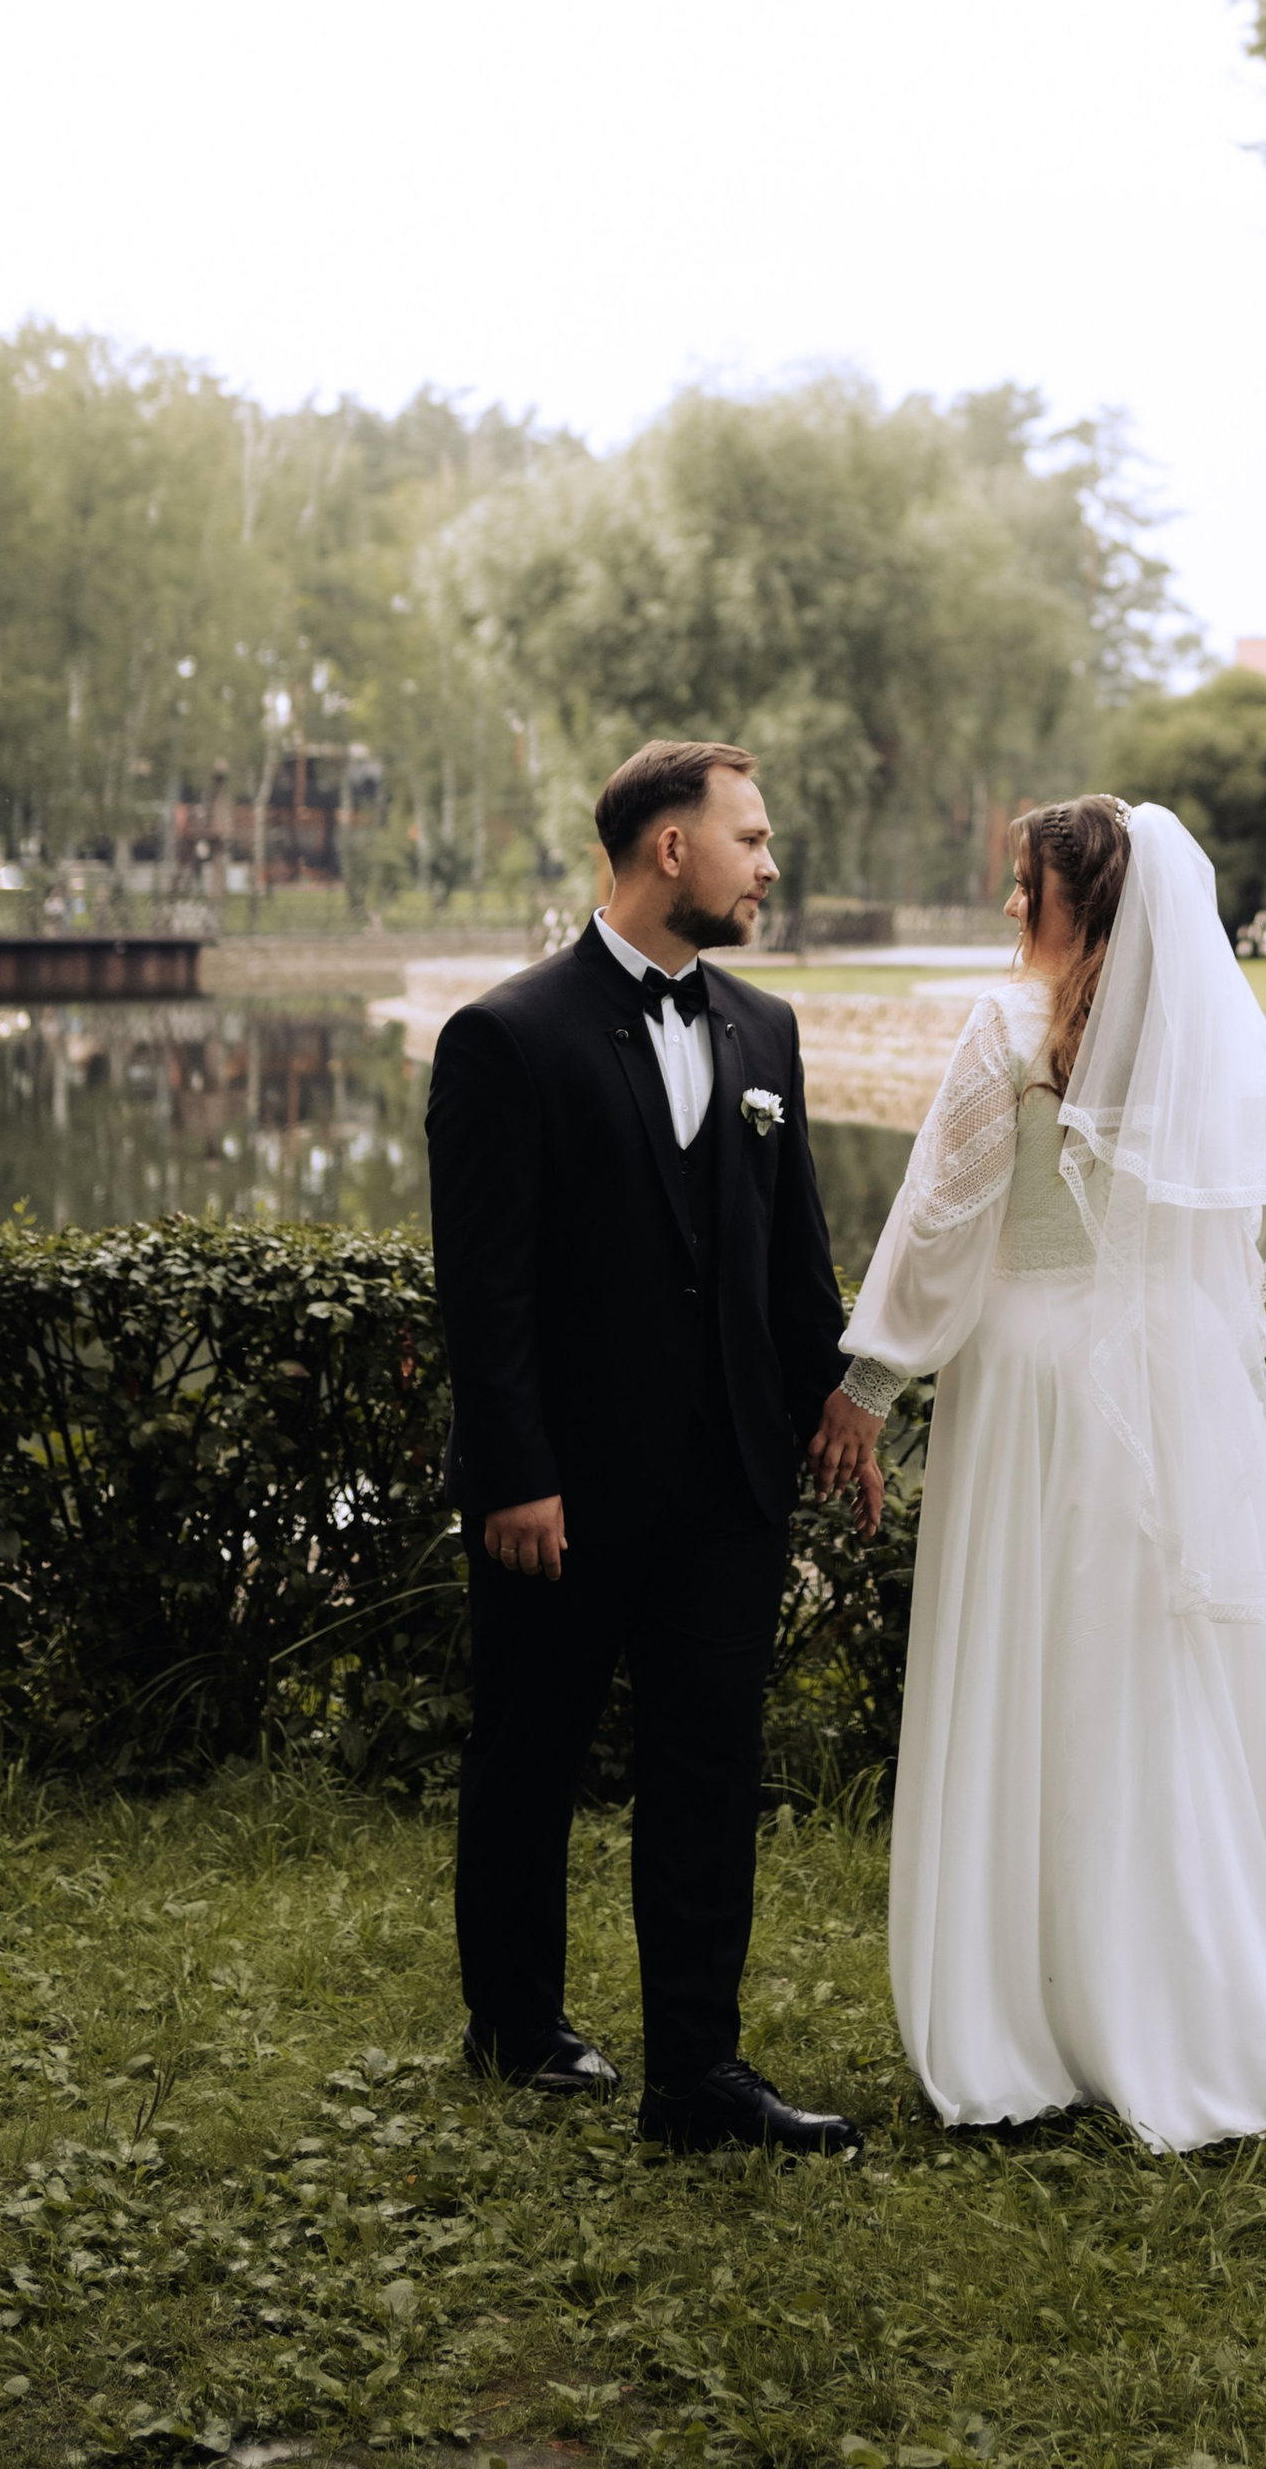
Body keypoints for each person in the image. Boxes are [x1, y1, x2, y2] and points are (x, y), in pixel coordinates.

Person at [814, 793, 1266, 2152]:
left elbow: (937, 1223)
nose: (1005, 908)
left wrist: (863, 1383)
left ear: (1074, 901)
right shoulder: (1187, 1042)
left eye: (1022, 884)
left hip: (1038, 1382)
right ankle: (1208, 1979)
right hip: (1169, 1378)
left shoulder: (1006, 1032)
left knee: (1045, 1668)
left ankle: (1040, 2003)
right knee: (1154, 1674)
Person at [427, 736, 883, 2156]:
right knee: (529, 1757)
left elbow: (794, 1256)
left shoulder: (765, 1030)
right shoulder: (508, 1035)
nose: (769, 863)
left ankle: (698, 2076)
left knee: (707, 1770)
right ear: (668, 850)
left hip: (727, 1485)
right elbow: (485, 1285)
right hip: (563, 1488)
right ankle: (515, 2025)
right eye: (749, 838)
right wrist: (513, 1472)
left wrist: (835, 1399)